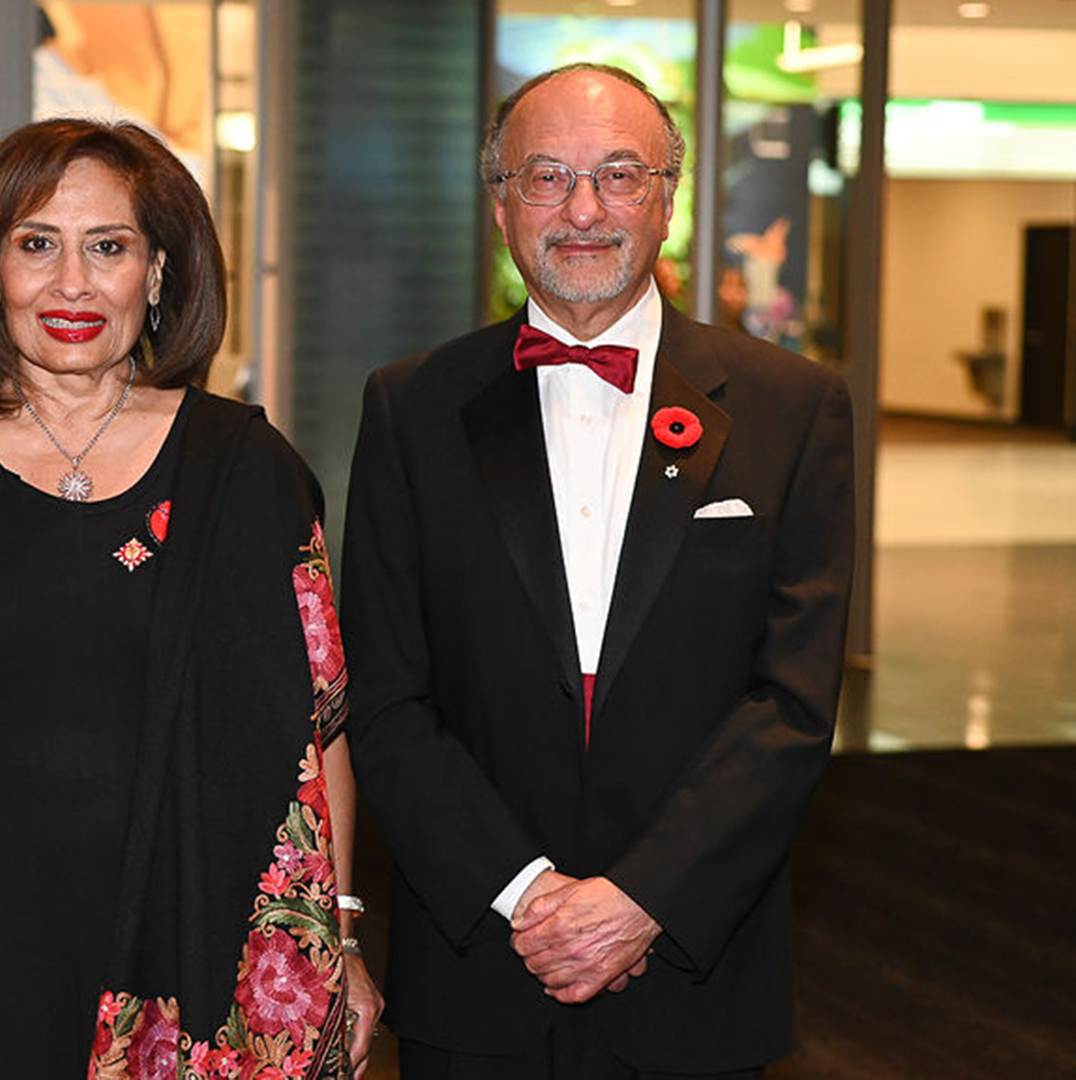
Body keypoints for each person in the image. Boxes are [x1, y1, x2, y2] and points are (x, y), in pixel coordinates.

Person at [0, 118, 382, 1079]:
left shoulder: (246, 470)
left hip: (191, 941)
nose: (72, 284)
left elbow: (317, 729)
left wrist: (341, 935)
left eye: (109, 247)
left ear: (157, 274)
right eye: (37, 244)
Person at [341, 64, 854, 1079]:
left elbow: (793, 704)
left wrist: (643, 897)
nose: (583, 210)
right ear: (501, 205)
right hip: (479, 963)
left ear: (668, 199)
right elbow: (388, 696)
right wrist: (525, 892)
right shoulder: (410, 406)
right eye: (546, 176)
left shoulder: (793, 408)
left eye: (620, 174)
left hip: (694, 970)